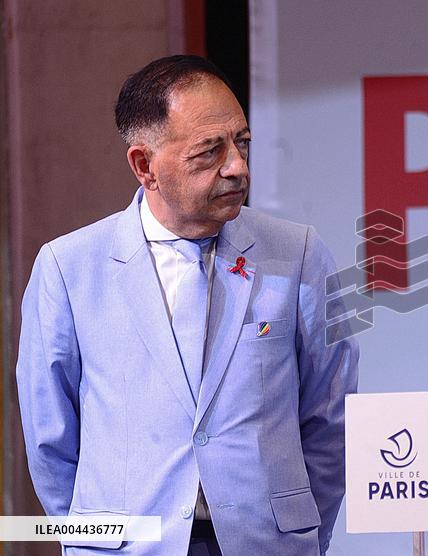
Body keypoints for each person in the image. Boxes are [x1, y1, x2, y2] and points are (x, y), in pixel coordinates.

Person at [16, 55, 358, 555]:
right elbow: (50, 439)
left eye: (242, 143)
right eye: (209, 152)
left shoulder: (299, 255)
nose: (237, 167)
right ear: (144, 166)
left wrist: (302, 535)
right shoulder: (69, 269)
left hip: (264, 544)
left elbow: (331, 418)